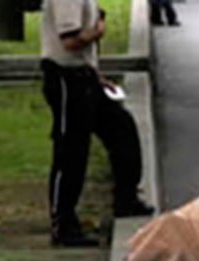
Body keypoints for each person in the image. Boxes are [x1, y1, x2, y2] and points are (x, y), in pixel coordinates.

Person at [40, 0, 154, 247]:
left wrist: (96, 76)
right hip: (66, 78)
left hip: (84, 76)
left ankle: (126, 198)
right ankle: (63, 224)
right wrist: (98, 29)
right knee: (71, 150)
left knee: (121, 128)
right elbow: (70, 41)